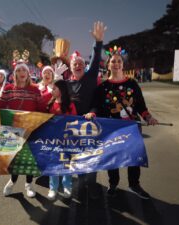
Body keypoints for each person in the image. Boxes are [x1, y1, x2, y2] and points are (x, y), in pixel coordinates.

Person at [85, 48, 158, 200]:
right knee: (113, 158)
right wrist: (92, 113)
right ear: (108, 65)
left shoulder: (132, 84)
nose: (116, 64)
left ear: (123, 65)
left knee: (134, 157)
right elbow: (96, 106)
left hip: (131, 127)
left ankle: (134, 184)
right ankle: (113, 183)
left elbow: (141, 106)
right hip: (111, 129)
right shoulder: (102, 87)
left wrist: (148, 117)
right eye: (113, 61)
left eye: (119, 61)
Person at [0, 63, 43, 198]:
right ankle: (12, 181)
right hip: (13, 129)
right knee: (14, 157)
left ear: (28, 73)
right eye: (18, 70)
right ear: (15, 74)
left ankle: (28, 184)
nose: (21, 72)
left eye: (24, 70)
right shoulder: (8, 89)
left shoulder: (35, 90)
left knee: (29, 158)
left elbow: (42, 109)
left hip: (30, 129)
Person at [66, 21, 106, 199]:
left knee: (91, 155)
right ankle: (82, 184)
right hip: (74, 127)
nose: (77, 65)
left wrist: (97, 43)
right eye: (74, 64)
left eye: (80, 63)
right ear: (71, 68)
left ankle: (92, 183)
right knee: (78, 156)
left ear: (84, 66)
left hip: (90, 123)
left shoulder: (90, 77)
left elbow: (96, 59)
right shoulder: (67, 84)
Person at [46, 79, 77, 200]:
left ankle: (67, 186)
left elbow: (75, 122)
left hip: (67, 140)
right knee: (53, 163)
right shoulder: (50, 104)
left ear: (61, 90)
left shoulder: (70, 105)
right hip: (53, 140)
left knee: (67, 164)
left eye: (54, 88)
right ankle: (53, 188)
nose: (52, 91)